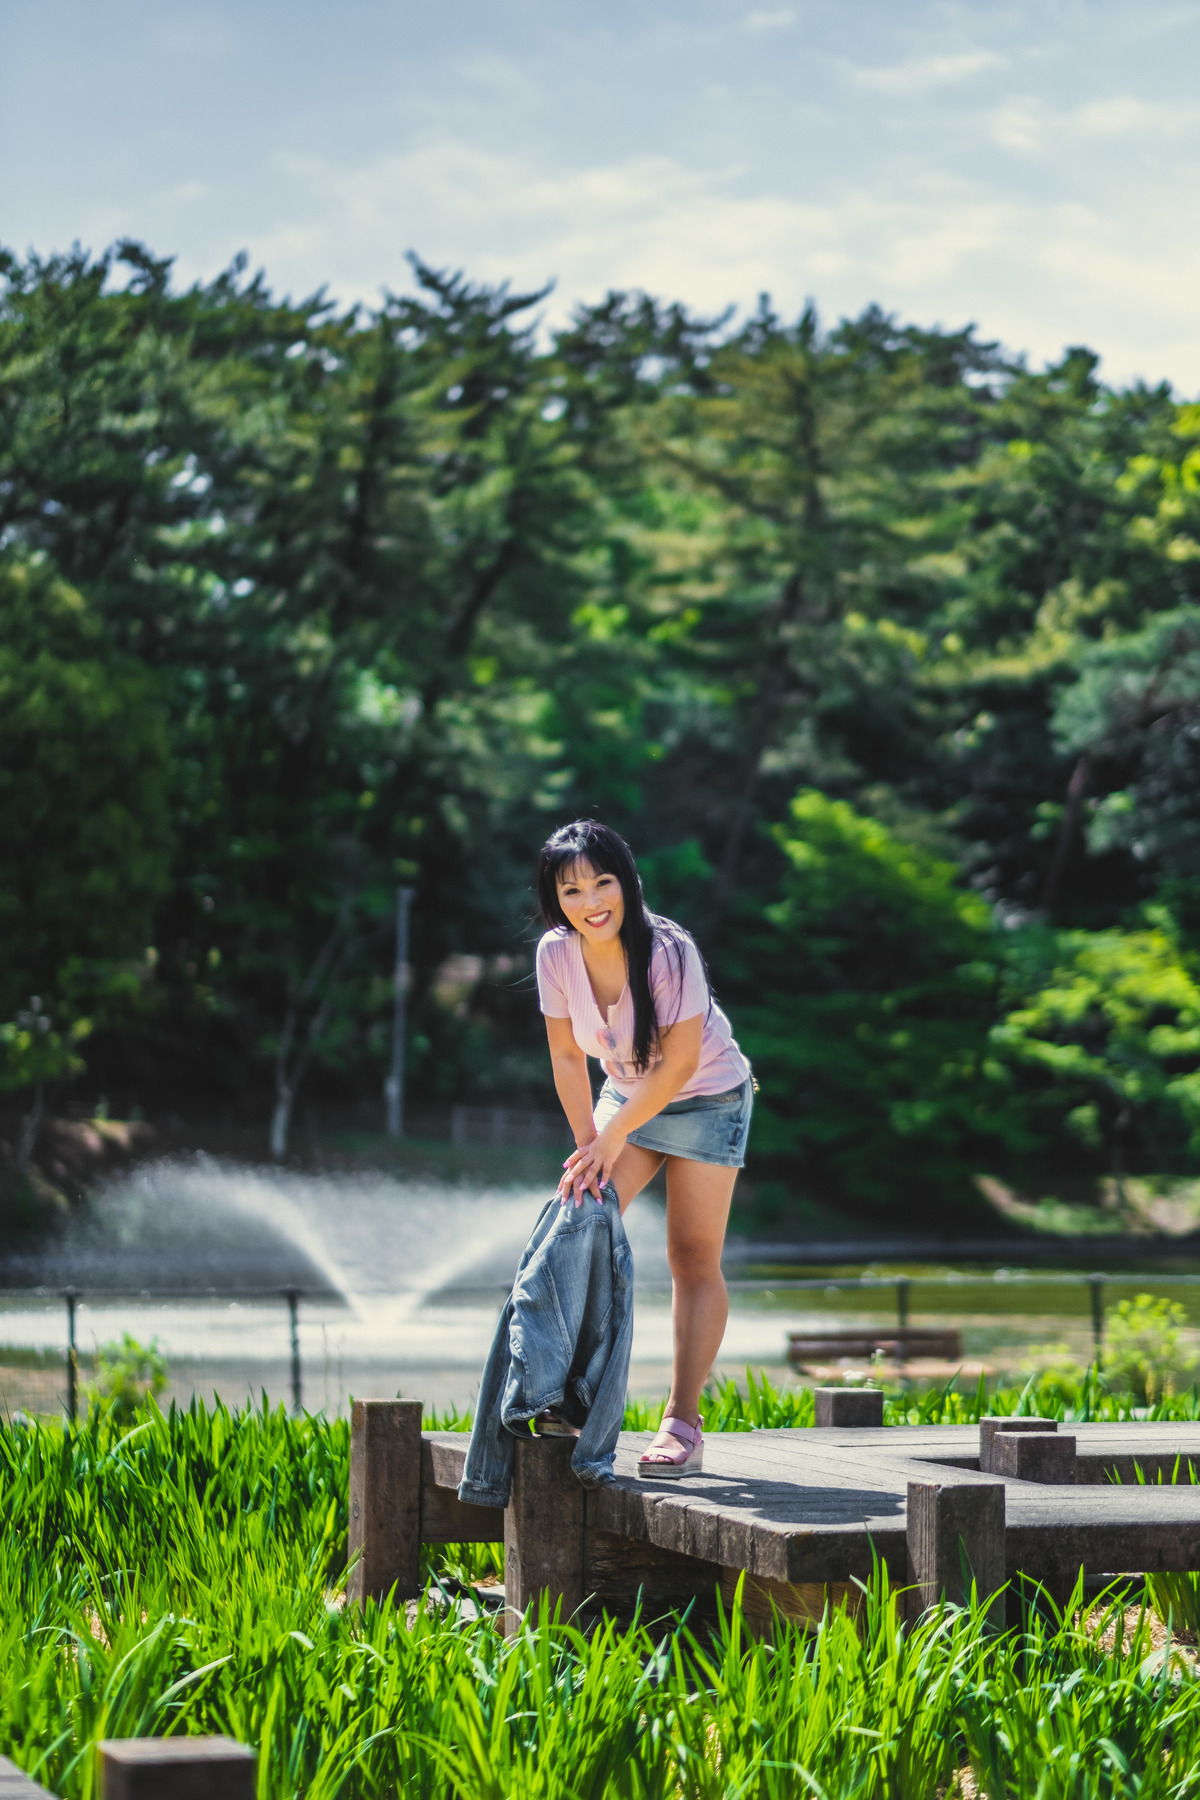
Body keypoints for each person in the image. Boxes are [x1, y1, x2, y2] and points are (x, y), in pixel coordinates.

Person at [534, 819, 753, 1478]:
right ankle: (570, 1398)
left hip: (706, 1098)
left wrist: (613, 1135)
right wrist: (588, 1143)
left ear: (626, 883)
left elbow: (680, 1064)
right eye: (571, 890)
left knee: (690, 1255)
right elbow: (567, 1054)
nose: (590, 901)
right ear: (554, 897)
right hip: (621, 1101)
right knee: (578, 1224)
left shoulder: (667, 949)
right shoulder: (554, 953)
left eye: (603, 883)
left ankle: (682, 1423)